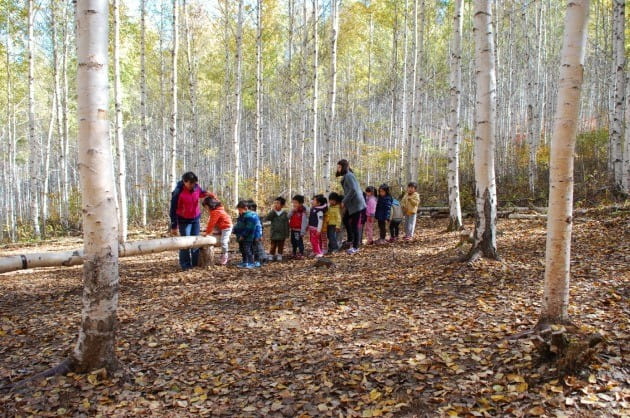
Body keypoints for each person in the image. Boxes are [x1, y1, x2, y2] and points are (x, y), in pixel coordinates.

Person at [169, 171, 211, 270]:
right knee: (185, 243)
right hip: (183, 220)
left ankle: (195, 264)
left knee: (195, 241)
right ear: (184, 181)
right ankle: (185, 265)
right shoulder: (178, 192)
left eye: (194, 183)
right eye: (190, 183)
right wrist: (174, 226)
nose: (192, 185)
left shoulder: (196, 187)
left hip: (195, 218)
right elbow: (173, 210)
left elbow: (200, 193)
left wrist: (207, 193)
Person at [336, 159, 366, 255]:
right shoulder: (347, 176)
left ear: (344, 167)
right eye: (338, 167)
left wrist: (344, 201)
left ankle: (355, 247)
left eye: (340, 167)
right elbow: (349, 190)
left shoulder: (349, 175)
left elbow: (353, 189)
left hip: (357, 204)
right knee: (345, 220)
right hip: (352, 204)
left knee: (354, 226)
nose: (338, 169)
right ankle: (350, 239)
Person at [201, 197, 232, 265]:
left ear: (210, 205)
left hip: (226, 227)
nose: (206, 208)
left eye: (206, 206)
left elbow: (212, 222)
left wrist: (207, 232)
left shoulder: (216, 211)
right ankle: (218, 231)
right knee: (214, 228)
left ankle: (225, 255)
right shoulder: (216, 210)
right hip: (221, 226)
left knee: (223, 241)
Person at [233, 200, 258, 269]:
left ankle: (251, 263)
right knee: (242, 249)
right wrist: (235, 230)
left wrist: (243, 235)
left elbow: (249, 227)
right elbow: (239, 224)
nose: (239, 211)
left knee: (247, 250)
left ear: (246, 208)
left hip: (247, 237)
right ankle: (245, 262)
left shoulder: (250, 216)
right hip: (240, 236)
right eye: (238, 210)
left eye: (240, 210)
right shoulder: (241, 216)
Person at [265, 197, 290, 261]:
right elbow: (267, 218)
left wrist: (287, 233)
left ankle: (279, 255)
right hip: (274, 232)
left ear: (282, 205)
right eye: (275, 203)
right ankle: (271, 255)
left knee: (281, 245)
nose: (276, 204)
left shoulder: (284, 213)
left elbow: (286, 224)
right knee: (273, 245)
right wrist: (273, 211)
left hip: (282, 233)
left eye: (278, 203)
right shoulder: (273, 212)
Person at [288, 194, 309, 259]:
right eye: (293, 203)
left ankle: (301, 253)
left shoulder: (303, 212)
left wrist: (303, 231)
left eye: (296, 203)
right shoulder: (293, 211)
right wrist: (292, 211)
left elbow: (304, 222)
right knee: (293, 241)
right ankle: (294, 252)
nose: (294, 204)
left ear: (300, 203)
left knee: (298, 241)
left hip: (298, 230)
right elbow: (288, 217)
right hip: (293, 229)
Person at [247, 200, 267, 267]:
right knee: (252, 248)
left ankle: (260, 260)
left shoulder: (255, 216)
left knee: (257, 248)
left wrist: (260, 235)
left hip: (256, 236)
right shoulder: (248, 216)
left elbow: (260, 227)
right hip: (250, 236)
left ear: (252, 208)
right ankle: (253, 260)